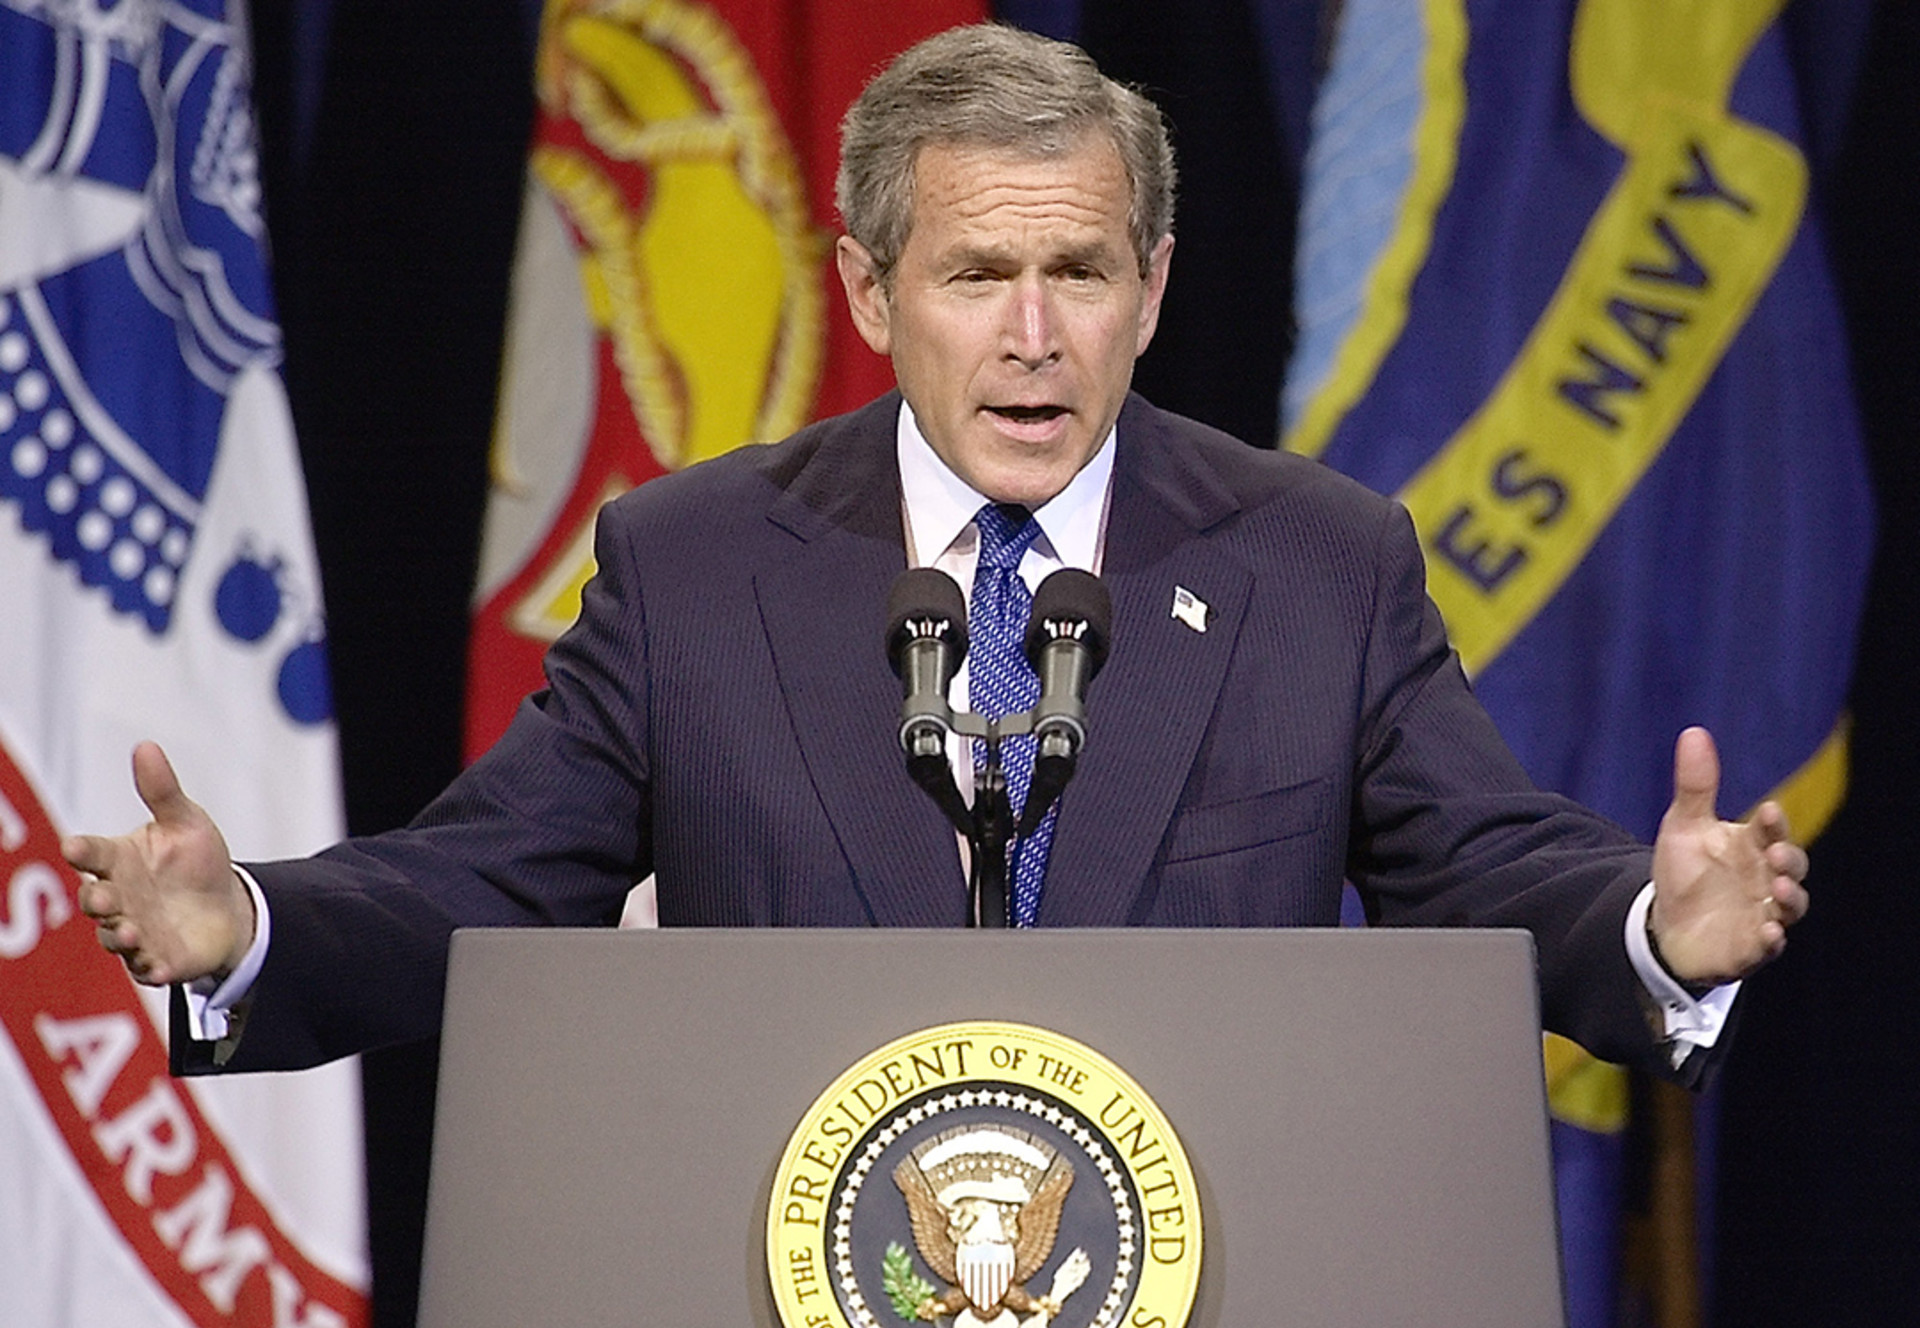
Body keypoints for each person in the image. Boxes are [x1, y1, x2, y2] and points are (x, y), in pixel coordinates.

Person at [62, 24, 1805, 1083]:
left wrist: (1653, 923)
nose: (1035, 336)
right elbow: (490, 878)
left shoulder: (1315, 563)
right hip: (792, 1306)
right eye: (979, 277)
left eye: (1084, 273)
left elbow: (1490, 868)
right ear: (870, 291)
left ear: (1155, 290)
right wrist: (252, 928)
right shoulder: (692, 567)